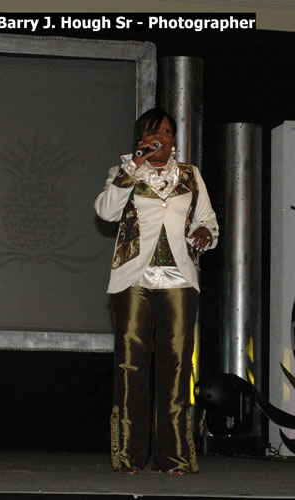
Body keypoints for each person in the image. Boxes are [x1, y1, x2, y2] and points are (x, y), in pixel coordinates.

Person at [94, 108, 218, 475]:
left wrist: (207, 234)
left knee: (177, 369)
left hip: (179, 279)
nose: (161, 136)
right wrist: (133, 168)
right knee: (131, 368)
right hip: (134, 279)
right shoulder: (125, 173)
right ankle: (128, 457)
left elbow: (207, 218)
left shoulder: (190, 175)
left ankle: (175, 457)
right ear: (141, 140)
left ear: (175, 139)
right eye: (153, 131)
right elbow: (105, 211)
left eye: (166, 130)